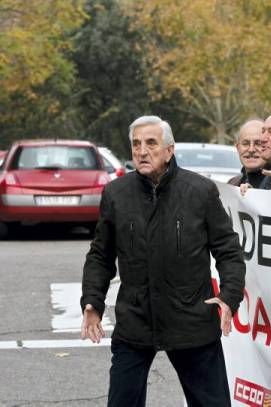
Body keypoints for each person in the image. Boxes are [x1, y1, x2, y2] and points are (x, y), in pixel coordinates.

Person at [80, 115, 245, 407]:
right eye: (135, 144)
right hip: (136, 320)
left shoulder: (200, 191)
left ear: (169, 150)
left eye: (151, 143)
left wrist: (229, 297)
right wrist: (92, 301)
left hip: (191, 320)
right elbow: (100, 254)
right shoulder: (117, 194)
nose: (142, 151)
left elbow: (228, 250)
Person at [228, 119, 266, 188]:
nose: (251, 149)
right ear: (238, 148)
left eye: (258, 143)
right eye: (245, 144)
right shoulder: (232, 183)